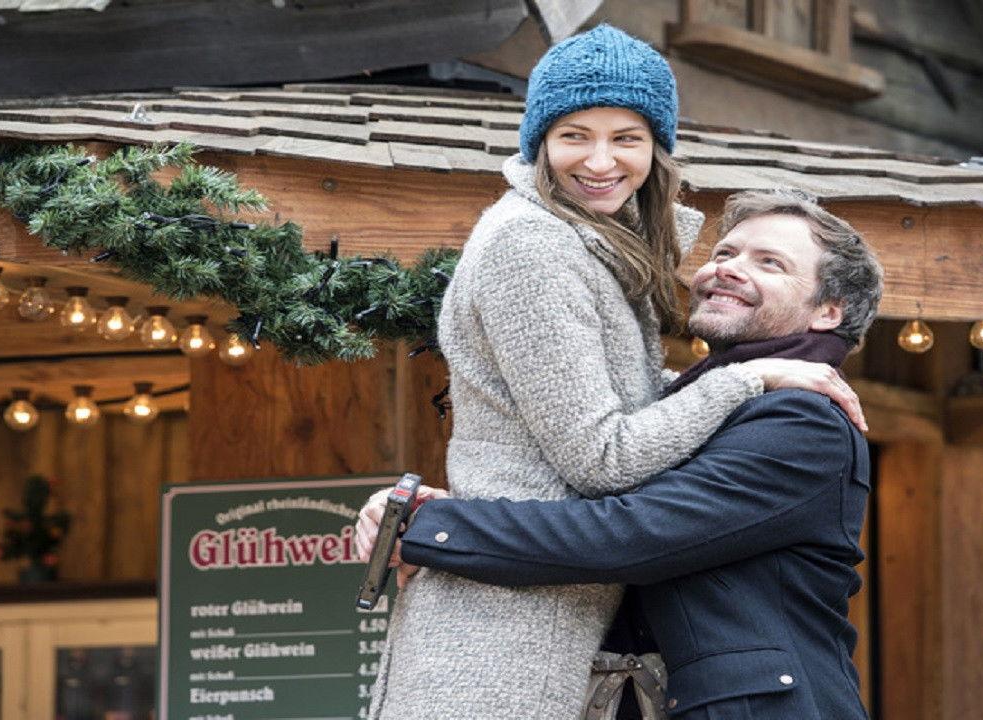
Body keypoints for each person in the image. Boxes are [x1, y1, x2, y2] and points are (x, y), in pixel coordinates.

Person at [364, 24, 866, 720]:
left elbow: (631, 499)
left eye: (626, 137)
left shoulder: (605, 254)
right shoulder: (536, 246)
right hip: (504, 629)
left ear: (656, 147)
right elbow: (604, 460)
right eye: (574, 134)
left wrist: (436, 521)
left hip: (545, 622)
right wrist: (431, 520)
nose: (600, 160)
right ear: (539, 140)